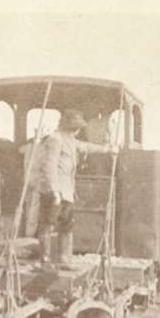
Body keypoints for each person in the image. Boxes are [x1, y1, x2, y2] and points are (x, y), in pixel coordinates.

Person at [37, 109, 117, 269]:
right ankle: (45, 261)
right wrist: (54, 191)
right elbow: (49, 166)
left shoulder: (71, 141)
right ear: (71, 127)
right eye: (77, 127)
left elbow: (87, 147)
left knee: (66, 224)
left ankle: (64, 260)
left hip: (66, 192)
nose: (79, 130)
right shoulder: (55, 139)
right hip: (54, 192)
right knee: (49, 224)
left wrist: (109, 150)